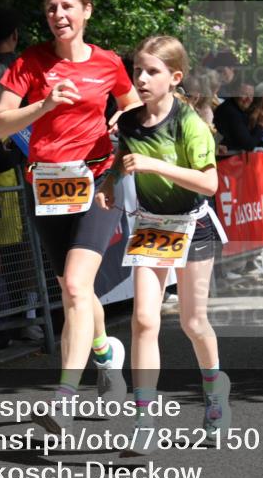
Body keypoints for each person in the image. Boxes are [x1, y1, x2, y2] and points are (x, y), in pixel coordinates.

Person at [0, 0, 141, 430]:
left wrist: (122, 121)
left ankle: (62, 399)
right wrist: (43, 105)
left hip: (98, 182)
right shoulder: (30, 62)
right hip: (48, 186)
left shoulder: (108, 63)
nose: (59, 15)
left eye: (68, 6)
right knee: (73, 287)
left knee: (75, 285)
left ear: (86, 11)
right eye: (52, 8)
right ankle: (105, 353)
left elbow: (136, 108)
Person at [96, 36, 230, 450]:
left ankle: (215, 392)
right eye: (138, 70)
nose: (141, 78)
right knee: (143, 321)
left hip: (192, 226)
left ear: (174, 77)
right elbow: (123, 157)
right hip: (152, 227)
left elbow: (210, 183)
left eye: (152, 71)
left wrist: (155, 165)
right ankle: (145, 421)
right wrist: (109, 183)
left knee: (193, 323)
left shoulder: (189, 123)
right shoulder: (130, 121)